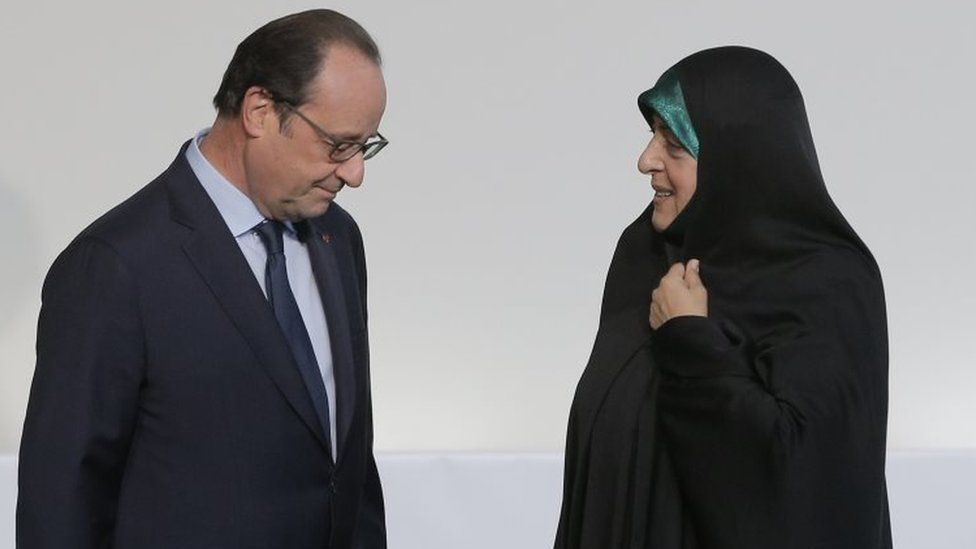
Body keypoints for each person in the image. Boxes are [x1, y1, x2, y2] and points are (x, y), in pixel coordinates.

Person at [17, 9, 388, 548]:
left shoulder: (338, 240)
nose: (356, 173)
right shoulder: (116, 265)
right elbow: (62, 505)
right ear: (259, 111)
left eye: (366, 146)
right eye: (340, 145)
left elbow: (349, 461)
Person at [554, 46, 891, 548]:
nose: (645, 160)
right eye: (652, 138)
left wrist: (691, 341)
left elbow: (804, 489)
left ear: (739, 158)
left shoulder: (827, 284)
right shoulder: (646, 253)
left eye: (673, 146)